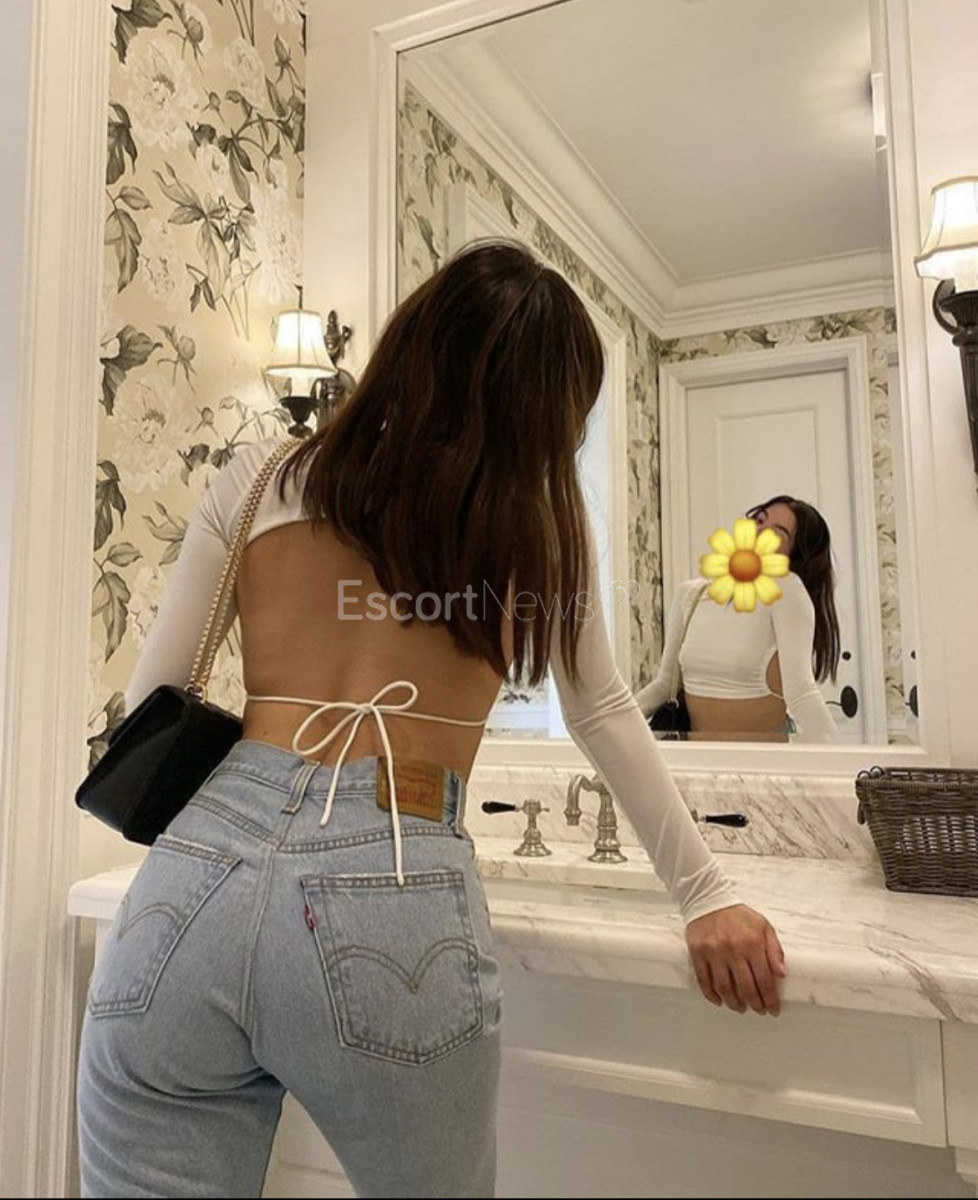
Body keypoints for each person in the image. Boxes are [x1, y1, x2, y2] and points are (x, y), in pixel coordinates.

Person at [77, 239, 787, 1199]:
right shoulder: (540, 529)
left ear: (412, 343)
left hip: (189, 881)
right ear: (550, 415)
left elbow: (153, 697)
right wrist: (705, 893)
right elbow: (604, 710)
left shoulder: (259, 476)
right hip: (392, 873)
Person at [637, 496, 840, 743]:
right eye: (760, 520)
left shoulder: (785, 589)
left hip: (763, 759)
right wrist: (610, 724)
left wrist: (842, 761)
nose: (760, 532)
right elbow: (664, 685)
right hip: (698, 756)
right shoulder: (691, 594)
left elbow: (802, 694)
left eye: (778, 533)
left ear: (793, 555)